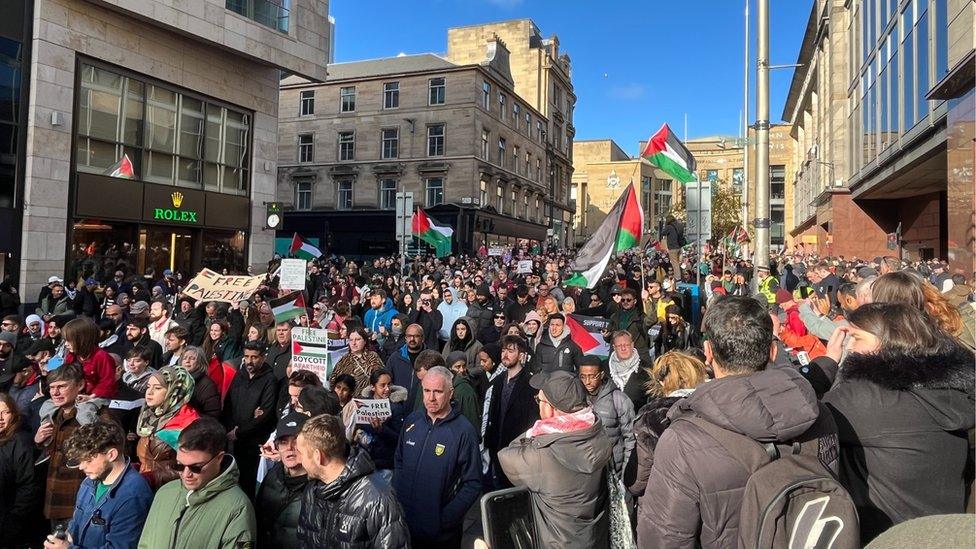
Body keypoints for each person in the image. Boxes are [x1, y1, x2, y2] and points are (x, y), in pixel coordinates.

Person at [639, 296, 839, 548]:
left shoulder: (682, 440)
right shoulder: (820, 415)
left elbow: (664, 539)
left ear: (708, 353)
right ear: (773, 351)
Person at [822, 303, 975, 543]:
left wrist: (827, 364)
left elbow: (799, 419)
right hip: (945, 532)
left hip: (886, 535)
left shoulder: (865, 398)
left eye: (856, 339)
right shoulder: (950, 391)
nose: (849, 348)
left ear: (886, 341)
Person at [498, 370, 613, 549]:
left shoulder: (543, 455)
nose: (537, 404)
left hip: (557, 543)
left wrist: (534, 432)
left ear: (551, 408)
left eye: (539, 400)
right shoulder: (598, 433)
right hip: (594, 538)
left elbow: (506, 455)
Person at [394, 366, 482, 547]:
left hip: (441, 536)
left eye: (438, 392)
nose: (431, 398)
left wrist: (445, 519)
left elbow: (473, 483)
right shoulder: (412, 421)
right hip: (405, 526)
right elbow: (399, 461)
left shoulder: (463, 431)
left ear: (450, 393)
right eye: (427, 391)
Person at [137, 417, 256, 548]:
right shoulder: (164, 493)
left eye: (196, 467)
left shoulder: (238, 507)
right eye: (179, 465)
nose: (186, 474)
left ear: (219, 458)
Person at [296, 414, 410, 548]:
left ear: (318, 456)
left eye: (301, 453)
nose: (299, 460)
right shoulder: (312, 491)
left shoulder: (378, 499)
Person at [44, 420, 152, 549]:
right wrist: (64, 538)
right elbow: (75, 524)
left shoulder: (133, 495)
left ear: (111, 455)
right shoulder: (89, 482)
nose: (81, 467)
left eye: (88, 460)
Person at [624, 351, 708, 507]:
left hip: (665, 504)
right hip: (710, 500)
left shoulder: (651, 418)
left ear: (662, 382)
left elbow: (636, 482)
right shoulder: (713, 406)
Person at [36, 363, 107, 530]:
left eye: (61, 386)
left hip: (81, 501)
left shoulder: (97, 414)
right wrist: (38, 441)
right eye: (52, 387)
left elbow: (107, 450)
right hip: (54, 500)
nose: (55, 392)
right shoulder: (52, 416)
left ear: (80, 385)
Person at [222, 340, 277, 499]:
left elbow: (265, 414)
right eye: (247, 357)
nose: (249, 361)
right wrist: (231, 429)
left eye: (254, 357)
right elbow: (228, 404)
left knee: (249, 485)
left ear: (263, 358)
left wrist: (239, 431)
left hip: (254, 442)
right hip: (235, 440)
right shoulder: (239, 375)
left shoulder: (269, 380)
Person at [483, 335, 539, 489]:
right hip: (497, 446)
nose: (505, 354)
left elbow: (533, 420)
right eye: (503, 350)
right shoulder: (498, 380)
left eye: (510, 351)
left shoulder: (530, 384)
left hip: (517, 448)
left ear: (521, 355)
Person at [135, 366, 200, 490]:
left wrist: (151, 478)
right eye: (148, 386)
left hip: (172, 491)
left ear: (174, 391)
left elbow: (194, 470)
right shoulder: (148, 416)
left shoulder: (189, 424)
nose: (149, 392)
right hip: (145, 487)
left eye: (158, 388)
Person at [255, 412, 309, 548]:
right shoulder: (272, 477)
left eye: (296, 441)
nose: (289, 448)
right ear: (277, 447)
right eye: (283, 442)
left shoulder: (321, 487)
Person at [579, 356, 634, 477]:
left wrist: (625, 472)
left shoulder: (619, 399)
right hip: (585, 472)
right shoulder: (576, 398)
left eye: (593, 376)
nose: (587, 381)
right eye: (583, 377)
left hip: (613, 470)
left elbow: (630, 438)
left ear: (602, 374)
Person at [0, 393, 40, 549]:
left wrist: (11, 525)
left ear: (14, 414)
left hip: (8, 527)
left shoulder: (21, 442)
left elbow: (28, 488)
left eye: (5, 412)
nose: (0, 418)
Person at [356, 369, 408, 480]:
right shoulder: (364, 405)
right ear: (373, 387)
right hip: (365, 460)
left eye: (389, 384)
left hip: (385, 463)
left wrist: (382, 429)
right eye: (382, 385)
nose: (387, 389)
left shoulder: (396, 408)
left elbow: (399, 438)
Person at [604, 330, 652, 411]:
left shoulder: (646, 369)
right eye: (619, 345)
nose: (623, 348)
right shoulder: (604, 367)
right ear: (614, 347)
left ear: (632, 345)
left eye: (626, 345)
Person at [330, 327, 384, 397]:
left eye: (358, 339)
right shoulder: (343, 360)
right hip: (348, 401)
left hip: (369, 400)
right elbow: (333, 381)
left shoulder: (373, 356)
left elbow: (381, 378)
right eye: (351, 340)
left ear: (364, 341)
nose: (354, 343)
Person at [604, 287, 653, 356]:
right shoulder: (614, 316)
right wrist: (606, 335)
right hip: (617, 356)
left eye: (628, 300)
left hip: (635, 355)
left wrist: (647, 300)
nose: (625, 302)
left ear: (635, 301)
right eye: (623, 300)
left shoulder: (641, 316)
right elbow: (608, 338)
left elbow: (652, 319)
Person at [178, 346, 221, 418]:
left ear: (200, 362)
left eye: (192, 358)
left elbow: (213, 414)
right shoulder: (177, 380)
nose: (187, 361)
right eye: (184, 358)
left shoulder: (208, 385)